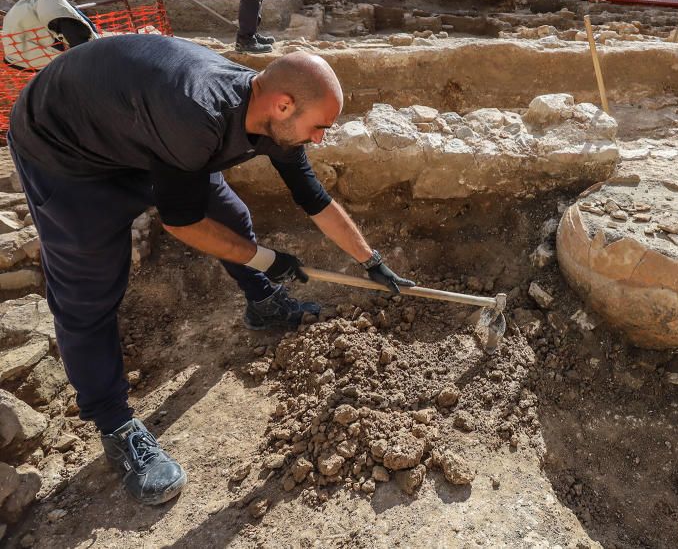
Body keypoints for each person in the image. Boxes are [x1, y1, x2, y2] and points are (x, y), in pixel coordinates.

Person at [7, 34, 414, 506]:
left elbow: (312, 197)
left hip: (138, 131)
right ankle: (114, 423)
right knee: (88, 292)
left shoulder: (266, 115)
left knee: (231, 218)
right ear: (283, 105)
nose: (321, 138)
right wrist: (267, 258)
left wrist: (371, 261)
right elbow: (182, 222)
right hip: (67, 152)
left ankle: (262, 304)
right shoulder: (196, 115)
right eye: (320, 126)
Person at [2, 0, 97, 70]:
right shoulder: (60, 13)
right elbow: (81, 45)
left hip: (19, 54)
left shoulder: (41, 3)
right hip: (31, 57)